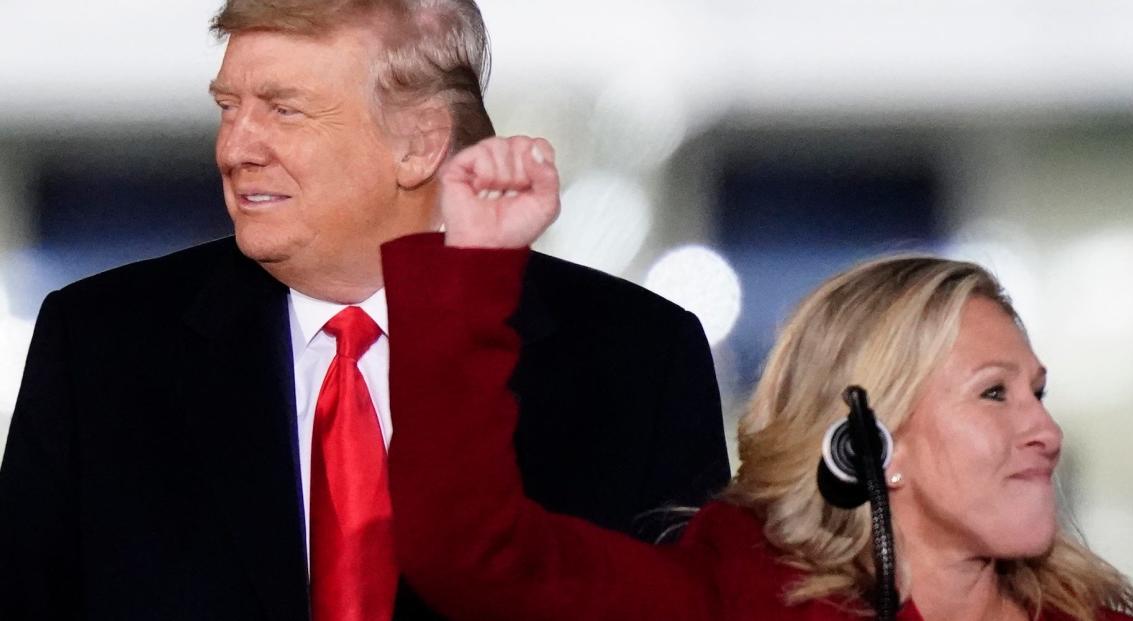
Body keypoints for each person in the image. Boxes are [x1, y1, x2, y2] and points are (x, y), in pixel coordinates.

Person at [0, 2, 728, 620]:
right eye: (229, 108)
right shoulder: (99, 347)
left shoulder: (638, 358)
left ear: (417, 144)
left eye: (283, 109)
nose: (235, 147)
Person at [380, 135, 1133, 621]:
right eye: (994, 392)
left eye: (1036, 392)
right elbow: (471, 550)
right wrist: (474, 266)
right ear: (869, 443)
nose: (1045, 431)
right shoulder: (725, 599)